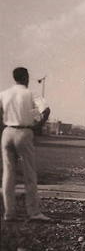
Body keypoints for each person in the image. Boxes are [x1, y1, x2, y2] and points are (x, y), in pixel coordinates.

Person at [0, 67, 51, 221]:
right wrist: (38, 126)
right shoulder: (30, 93)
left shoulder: (4, 94)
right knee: (29, 173)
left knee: (8, 174)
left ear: (14, 78)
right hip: (24, 132)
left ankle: (9, 213)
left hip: (7, 131)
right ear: (26, 77)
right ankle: (33, 212)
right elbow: (46, 110)